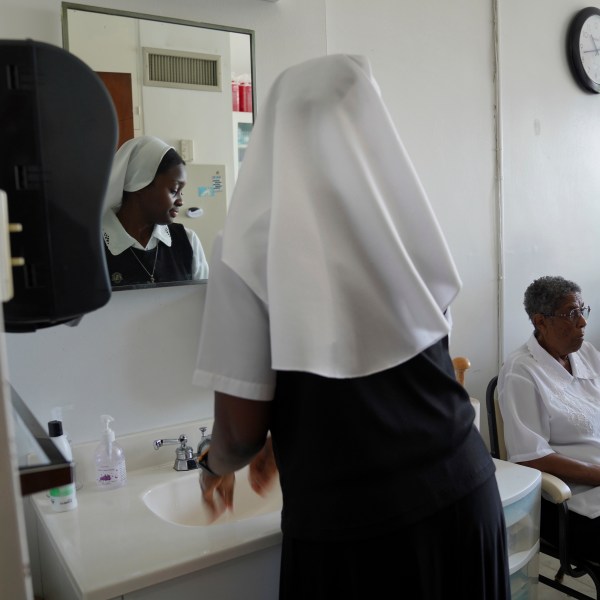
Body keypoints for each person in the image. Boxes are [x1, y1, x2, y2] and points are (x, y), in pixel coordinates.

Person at [193, 54, 510, 599]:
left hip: (356, 533)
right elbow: (393, 363)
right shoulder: (404, 217)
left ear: (275, 132)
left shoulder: (246, 243)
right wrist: (285, 432)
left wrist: (213, 464)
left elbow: (240, 431)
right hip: (464, 492)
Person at [499, 274, 600, 560]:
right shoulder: (521, 372)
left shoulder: (587, 354)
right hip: (573, 502)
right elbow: (531, 456)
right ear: (540, 321)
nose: (582, 322)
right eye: (571, 314)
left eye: (583, 311)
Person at [102, 135, 209, 286]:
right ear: (138, 184)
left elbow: (203, 302)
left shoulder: (187, 241)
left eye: (181, 192)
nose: (180, 201)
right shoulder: (91, 246)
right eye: (174, 190)